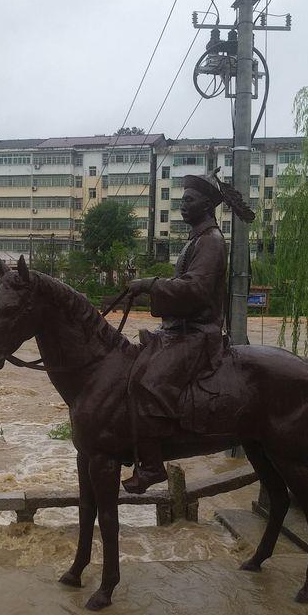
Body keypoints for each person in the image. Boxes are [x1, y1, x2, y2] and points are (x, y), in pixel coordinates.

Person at [121, 170, 254, 494]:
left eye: (189, 200)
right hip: (179, 329)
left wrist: (149, 284)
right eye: (182, 200)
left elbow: (195, 290)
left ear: (207, 205)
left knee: (148, 383)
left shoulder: (211, 242)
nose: (183, 205)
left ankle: (152, 466)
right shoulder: (197, 240)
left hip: (196, 334)